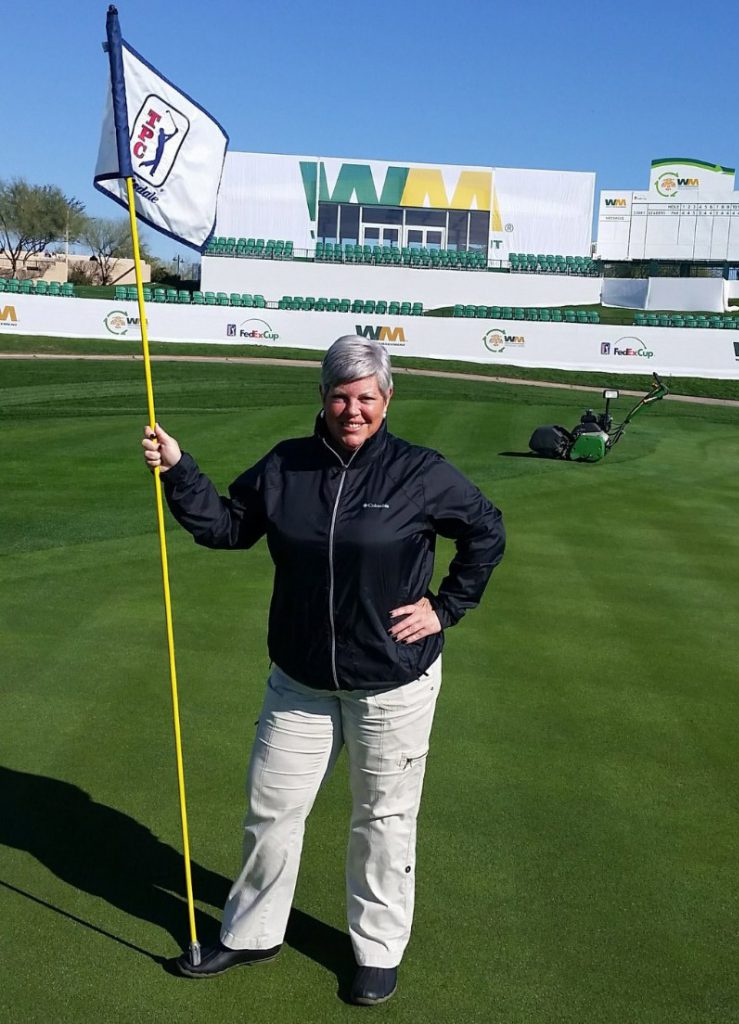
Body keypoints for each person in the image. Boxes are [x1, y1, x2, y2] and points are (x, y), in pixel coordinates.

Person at [141, 335, 505, 1004]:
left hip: (391, 681)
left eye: (366, 397)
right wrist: (178, 468)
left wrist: (445, 607)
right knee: (271, 810)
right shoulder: (287, 466)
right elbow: (227, 526)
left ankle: (376, 949)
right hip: (300, 681)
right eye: (340, 395)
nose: (352, 408)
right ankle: (252, 933)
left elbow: (485, 528)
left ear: (386, 400)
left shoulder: (419, 472)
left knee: (383, 819)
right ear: (322, 396)